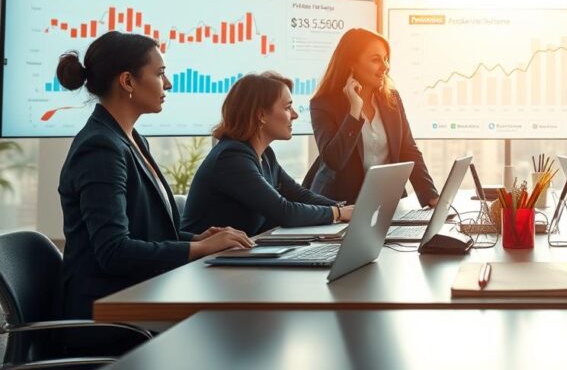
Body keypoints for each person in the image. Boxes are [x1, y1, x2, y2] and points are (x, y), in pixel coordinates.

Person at [55, 32, 251, 351]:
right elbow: (114, 252)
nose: (169, 83)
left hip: (139, 297)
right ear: (128, 82)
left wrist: (196, 240)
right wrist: (199, 250)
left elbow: (140, 232)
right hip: (109, 317)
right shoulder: (100, 148)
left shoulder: (131, 140)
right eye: (160, 74)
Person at [182, 72, 354, 236]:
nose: (294, 114)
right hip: (202, 262)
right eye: (288, 107)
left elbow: (300, 195)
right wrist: (338, 213)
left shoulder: (265, 155)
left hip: (235, 255)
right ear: (261, 115)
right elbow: (284, 211)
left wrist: (348, 209)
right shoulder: (231, 158)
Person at [303, 28, 439, 207]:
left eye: (386, 59)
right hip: (338, 207)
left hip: (387, 203)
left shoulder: (392, 99)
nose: (385, 66)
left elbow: (408, 149)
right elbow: (334, 160)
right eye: (376, 60)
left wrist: (431, 197)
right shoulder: (323, 104)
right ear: (351, 64)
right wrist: (354, 111)